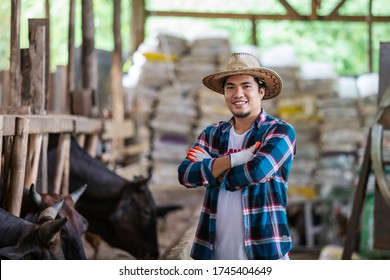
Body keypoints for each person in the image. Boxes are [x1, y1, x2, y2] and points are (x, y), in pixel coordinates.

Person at [177, 52, 296, 260]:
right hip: (214, 254)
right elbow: (185, 174)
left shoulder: (279, 131)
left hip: (264, 253)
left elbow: (257, 172)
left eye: (246, 86)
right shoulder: (213, 133)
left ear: (261, 91)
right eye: (230, 87)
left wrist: (211, 167)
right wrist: (235, 159)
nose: (237, 93)